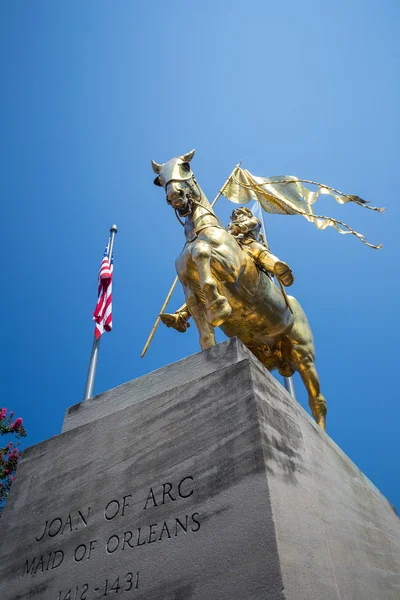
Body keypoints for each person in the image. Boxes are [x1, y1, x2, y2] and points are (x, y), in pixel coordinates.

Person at [160, 207, 294, 332]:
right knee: (203, 279)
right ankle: (182, 315)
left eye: (240, 212)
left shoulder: (252, 220)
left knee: (257, 250)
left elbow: (251, 225)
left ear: (247, 213)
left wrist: (240, 227)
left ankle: (278, 268)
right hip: (229, 249)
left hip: (246, 244)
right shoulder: (228, 226)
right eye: (234, 213)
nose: (237, 214)